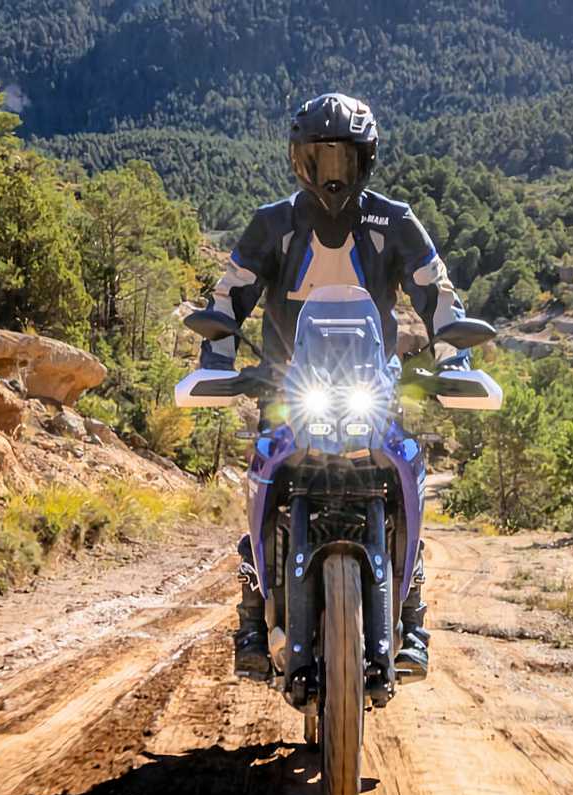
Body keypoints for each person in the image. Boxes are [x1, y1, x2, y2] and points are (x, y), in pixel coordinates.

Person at [195, 92, 474, 681]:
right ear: (300, 160)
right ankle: (252, 613)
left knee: (404, 475)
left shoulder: (394, 222)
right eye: (320, 158)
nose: (332, 172)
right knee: (263, 480)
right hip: (288, 389)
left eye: (343, 159)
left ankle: (412, 613)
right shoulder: (274, 224)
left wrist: (453, 359)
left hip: (372, 388)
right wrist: (215, 360)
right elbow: (229, 296)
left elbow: (437, 293)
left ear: (365, 160)